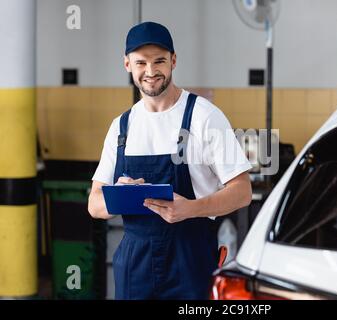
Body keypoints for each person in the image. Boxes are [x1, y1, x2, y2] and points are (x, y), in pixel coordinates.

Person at [87, 21, 253, 300]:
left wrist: (191, 208)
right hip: (134, 265)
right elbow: (94, 204)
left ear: (173, 61)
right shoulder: (121, 127)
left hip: (191, 262)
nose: (150, 72)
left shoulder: (205, 117)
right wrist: (120, 194)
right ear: (127, 64)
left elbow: (243, 191)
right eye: (141, 63)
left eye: (159, 61)